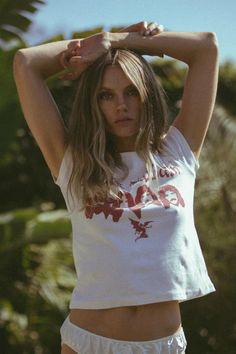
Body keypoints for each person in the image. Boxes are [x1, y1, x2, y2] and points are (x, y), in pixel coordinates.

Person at [13, 21, 219, 354]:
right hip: (89, 342)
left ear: (146, 95)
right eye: (106, 95)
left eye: (131, 92)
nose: (120, 105)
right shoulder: (72, 162)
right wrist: (92, 47)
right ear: (94, 104)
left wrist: (116, 40)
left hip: (162, 345)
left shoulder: (178, 150)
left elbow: (206, 46)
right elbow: (26, 63)